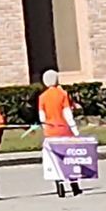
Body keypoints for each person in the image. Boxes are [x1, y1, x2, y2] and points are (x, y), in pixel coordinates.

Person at [37, 68, 84, 197]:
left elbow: (42, 116)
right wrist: (74, 129)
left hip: (51, 132)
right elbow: (67, 113)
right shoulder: (62, 94)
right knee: (69, 159)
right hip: (64, 130)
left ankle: (60, 187)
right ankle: (74, 186)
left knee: (55, 159)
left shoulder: (42, 97)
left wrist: (45, 128)